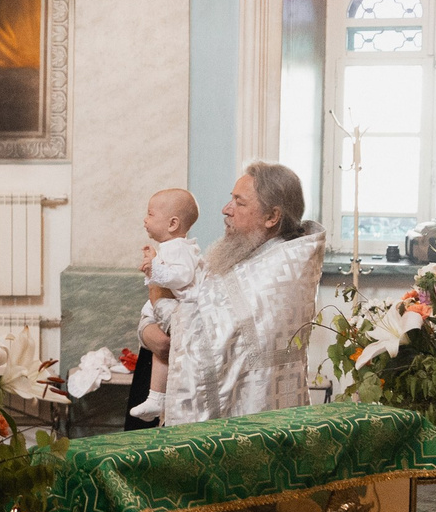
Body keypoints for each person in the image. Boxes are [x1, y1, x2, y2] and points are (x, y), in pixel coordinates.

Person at [152, 163, 327, 426]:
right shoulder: (256, 256)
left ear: (272, 217)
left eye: (239, 202)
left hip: (253, 418)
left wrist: (159, 299)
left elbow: (206, 336)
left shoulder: (277, 271)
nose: (226, 209)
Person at [130, 188, 202, 425]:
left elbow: (181, 275)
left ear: (172, 223)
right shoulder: (171, 247)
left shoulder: (180, 247)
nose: (145, 219)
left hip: (175, 309)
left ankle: (156, 397)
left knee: (162, 351)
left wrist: (155, 270)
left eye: (150, 214)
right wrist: (154, 258)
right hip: (163, 309)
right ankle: (155, 397)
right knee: (159, 352)